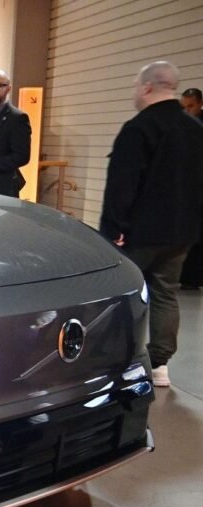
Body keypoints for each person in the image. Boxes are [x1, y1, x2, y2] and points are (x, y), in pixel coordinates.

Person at [100, 61, 203, 387]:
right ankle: (159, 364)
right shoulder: (195, 130)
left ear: (146, 87)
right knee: (165, 293)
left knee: (122, 293)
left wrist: (112, 230)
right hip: (181, 232)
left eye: (135, 85)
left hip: (139, 233)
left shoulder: (139, 128)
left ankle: (116, 358)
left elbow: (122, 184)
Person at [179, 87, 203, 290]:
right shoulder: (181, 126)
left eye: (191, 106)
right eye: (184, 107)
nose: (187, 110)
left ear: (200, 104)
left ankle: (192, 278)